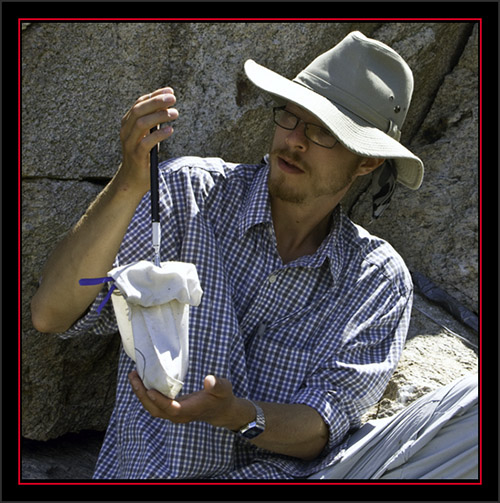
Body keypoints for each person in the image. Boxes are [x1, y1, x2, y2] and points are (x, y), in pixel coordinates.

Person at [30, 31, 475, 480]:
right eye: (290, 115)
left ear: (367, 162)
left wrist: (236, 414)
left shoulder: (376, 279)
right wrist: (128, 183)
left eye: (323, 132)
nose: (295, 140)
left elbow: (323, 425)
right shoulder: (187, 196)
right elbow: (53, 312)